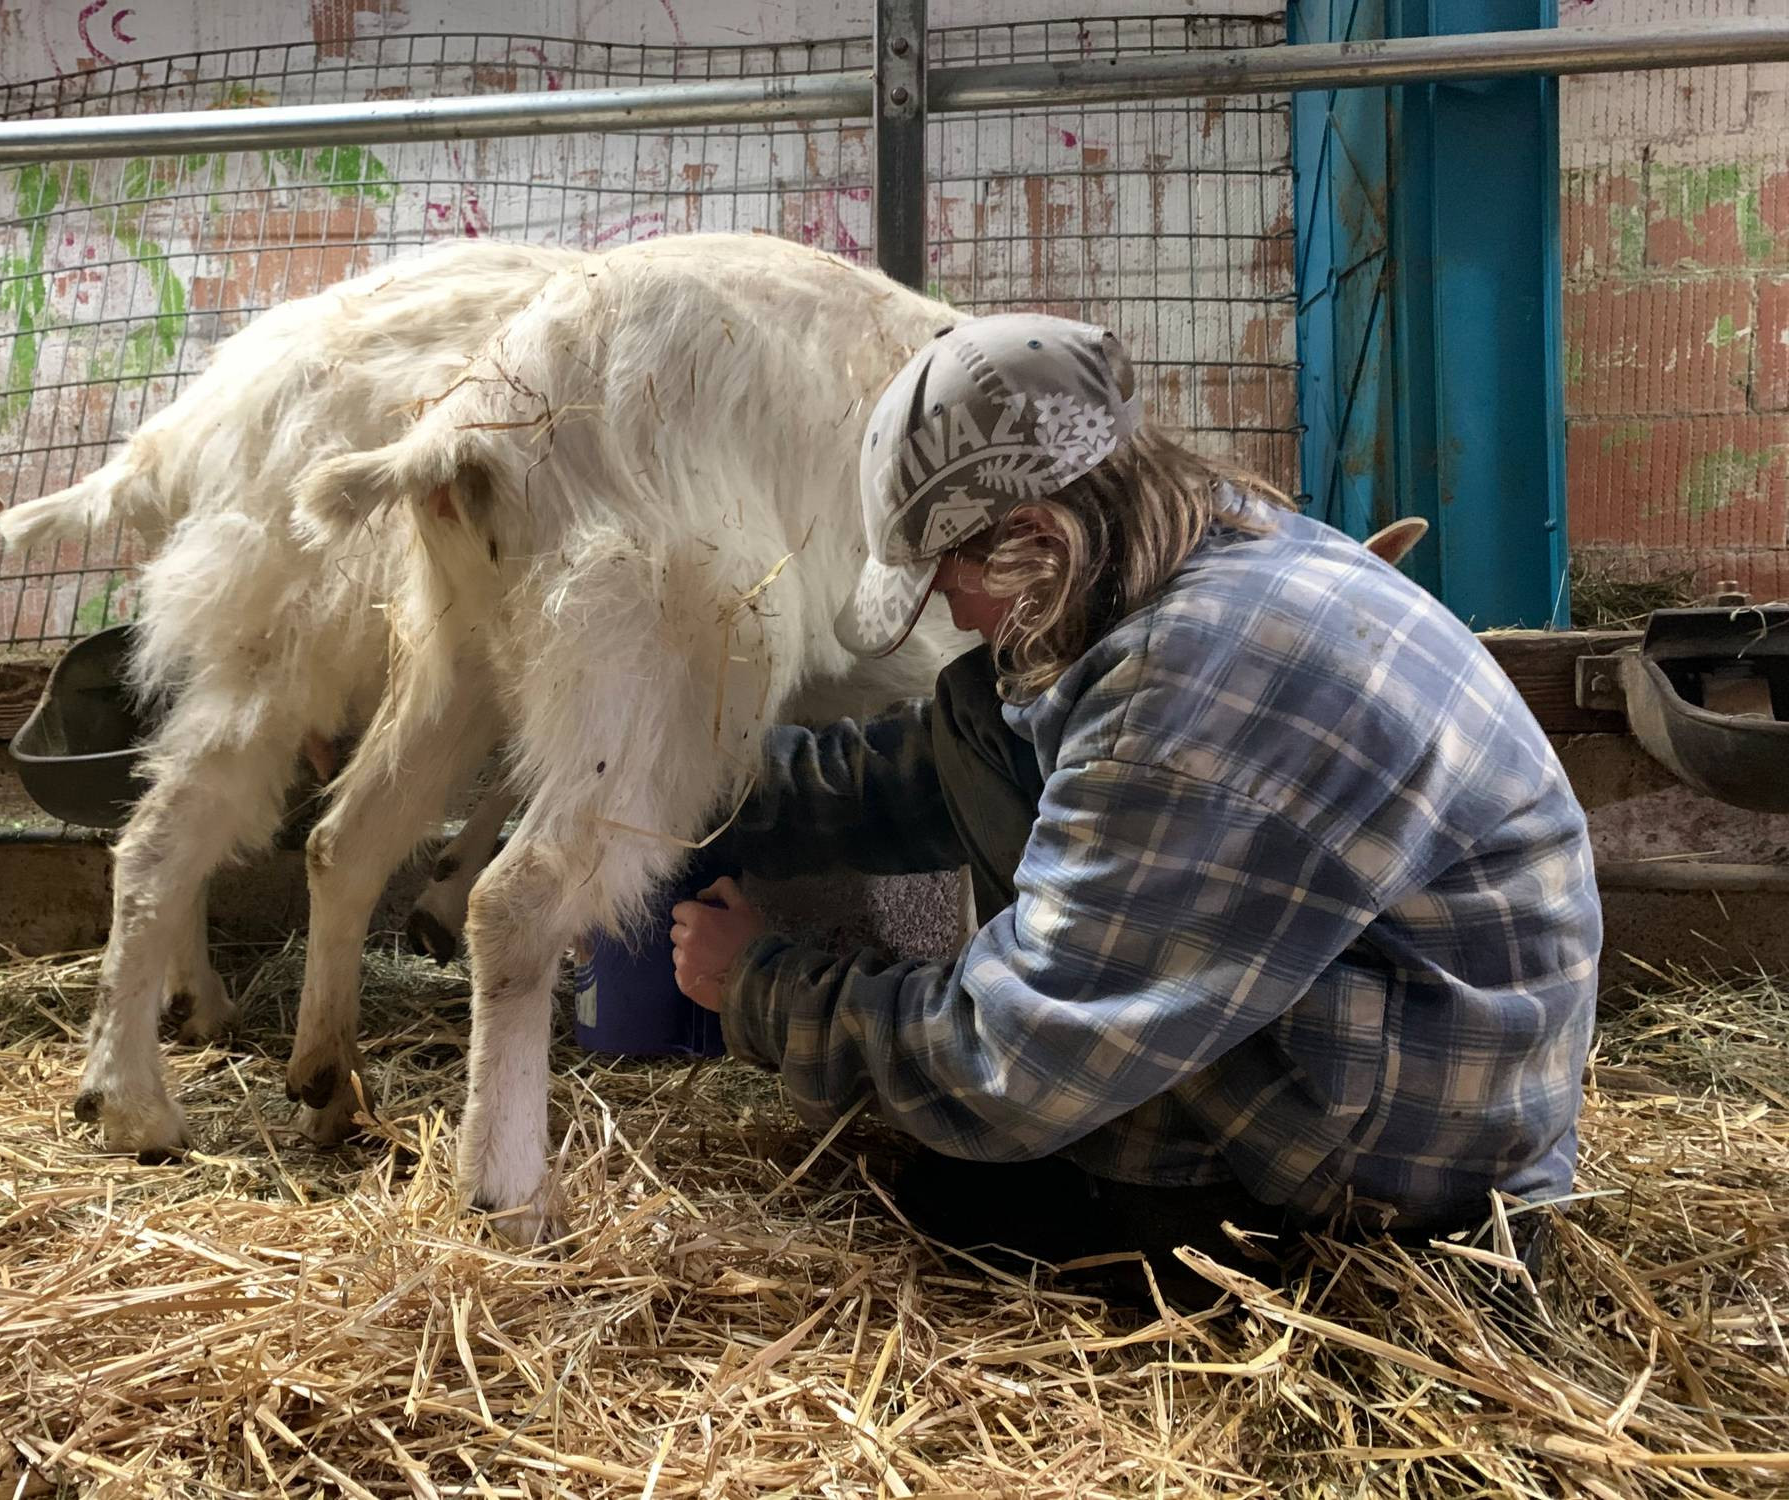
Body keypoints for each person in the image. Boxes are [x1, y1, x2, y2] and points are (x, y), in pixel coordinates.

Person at [668, 313, 1600, 1307]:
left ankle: (1230, 1241)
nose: (949, 614)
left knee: (955, 1202)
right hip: (1381, 1036)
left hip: (1404, 1188)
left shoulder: (1193, 691)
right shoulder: (1209, 546)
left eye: (948, 581)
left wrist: (762, 988)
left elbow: (1007, 1059)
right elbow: (939, 768)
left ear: (1033, 539)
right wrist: (681, 790)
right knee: (978, 708)